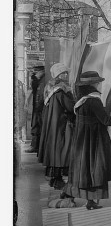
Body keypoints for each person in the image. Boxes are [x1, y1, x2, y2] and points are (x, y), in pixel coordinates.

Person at [63, 71, 111, 210]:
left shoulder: (81, 100)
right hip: (95, 139)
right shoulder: (94, 100)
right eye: (97, 82)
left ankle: (83, 199)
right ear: (92, 84)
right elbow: (105, 120)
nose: (99, 85)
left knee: (83, 168)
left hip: (82, 139)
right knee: (96, 168)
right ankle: (91, 201)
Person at [38, 63, 76, 191]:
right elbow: (70, 107)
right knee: (61, 150)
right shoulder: (60, 89)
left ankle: (54, 178)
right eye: (63, 73)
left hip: (52, 123)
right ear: (58, 75)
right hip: (61, 124)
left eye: (66, 72)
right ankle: (57, 180)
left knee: (54, 150)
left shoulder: (50, 86)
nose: (66, 75)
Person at [27, 66, 46, 153]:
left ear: (42, 71)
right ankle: (35, 146)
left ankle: (37, 147)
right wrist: (34, 78)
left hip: (40, 108)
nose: (36, 74)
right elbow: (34, 89)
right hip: (37, 107)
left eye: (37, 72)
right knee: (35, 127)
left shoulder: (44, 81)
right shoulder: (38, 80)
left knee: (37, 127)